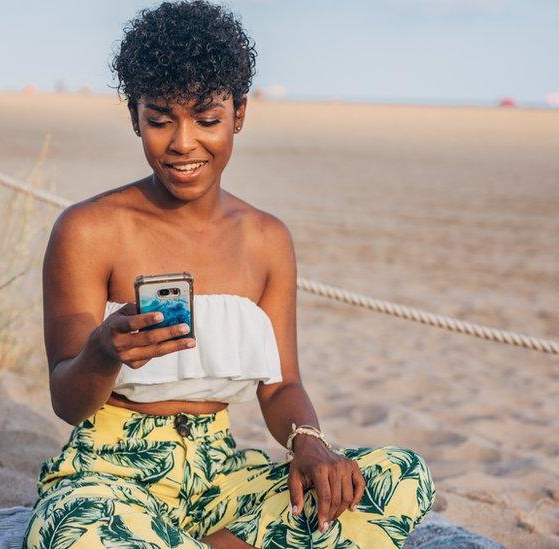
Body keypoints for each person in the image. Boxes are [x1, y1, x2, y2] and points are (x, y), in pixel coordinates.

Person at [22, 1, 434, 547]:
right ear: (135, 119)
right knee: (82, 534)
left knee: (398, 476)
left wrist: (309, 442)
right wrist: (102, 352)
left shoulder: (266, 239)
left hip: (223, 477)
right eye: (160, 120)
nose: (183, 143)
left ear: (239, 113)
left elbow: (282, 384)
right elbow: (67, 403)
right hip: (109, 478)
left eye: (208, 119)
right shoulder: (87, 229)